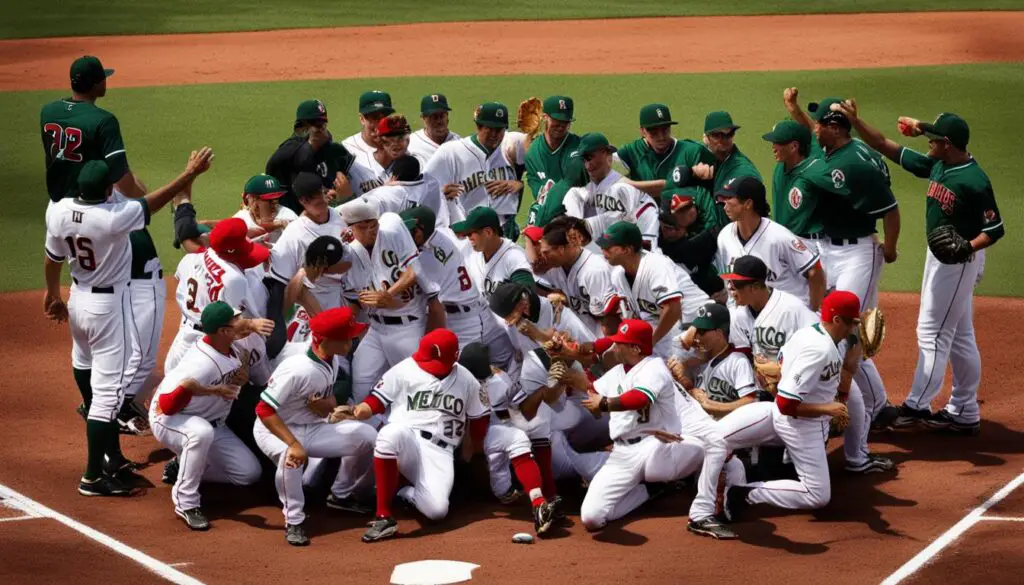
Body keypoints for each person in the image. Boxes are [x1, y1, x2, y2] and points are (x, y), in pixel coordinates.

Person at [43, 148, 213, 496]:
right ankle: (93, 475)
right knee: (108, 397)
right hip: (108, 307)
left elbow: (51, 258)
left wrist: (52, 295)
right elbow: (152, 200)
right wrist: (190, 173)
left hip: (77, 298)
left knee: (82, 364)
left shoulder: (58, 210)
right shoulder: (111, 218)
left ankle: (113, 458)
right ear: (108, 191)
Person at [836, 102, 1004, 434]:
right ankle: (965, 411)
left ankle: (917, 405)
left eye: (934, 139)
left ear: (949, 145)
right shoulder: (939, 164)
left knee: (932, 331)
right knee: (959, 334)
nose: (928, 143)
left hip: (958, 261)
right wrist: (856, 122)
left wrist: (968, 248)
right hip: (941, 255)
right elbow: (885, 145)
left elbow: (995, 229)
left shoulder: (973, 179)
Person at [40, 56, 165, 436]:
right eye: (103, 80)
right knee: (132, 259)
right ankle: (116, 405)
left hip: (60, 208)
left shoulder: (48, 111)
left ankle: (101, 398)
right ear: (97, 85)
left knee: (79, 267)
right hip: (97, 207)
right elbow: (119, 174)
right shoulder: (103, 120)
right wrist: (141, 202)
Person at [331, 329, 501, 542]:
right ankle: (384, 516)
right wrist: (358, 411)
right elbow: (376, 400)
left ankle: (403, 491)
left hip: (440, 451)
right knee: (389, 433)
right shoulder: (404, 369)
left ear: (455, 356)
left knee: (437, 511)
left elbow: (479, 423)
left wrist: (471, 452)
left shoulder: (467, 379)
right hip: (407, 439)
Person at [722, 292, 860, 528]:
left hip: (793, 419)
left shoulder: (810, 333)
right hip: (801, 425)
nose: (854, 328)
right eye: (852, 322)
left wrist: (841, 395)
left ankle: (771, 467)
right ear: (837, 321)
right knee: (817, 495)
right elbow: (787, 405)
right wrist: (828, 408)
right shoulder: (820, 350)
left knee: (786, 468)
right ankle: (743, 493)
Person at [254, 307, 378, 546]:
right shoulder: (297, 368)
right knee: (291, 458)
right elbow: (263, 410)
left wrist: (330, 407)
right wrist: (293, 443)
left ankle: (342, 494)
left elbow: (320, 401)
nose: (353, 339)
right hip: (275, 429)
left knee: (368, 435)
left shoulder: (330, 359)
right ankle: (295, 520)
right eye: (347, 336)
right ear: (328, 340)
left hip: (312, 427)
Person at [578, 320, 705, 531]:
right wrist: (573, 376)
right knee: (592, 518)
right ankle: (648, 491)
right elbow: (593, 391)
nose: (615, 347)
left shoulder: (654, 367)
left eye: (621, 343)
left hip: (654, 445)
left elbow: (640, 398)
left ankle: (707, 466)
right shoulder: (619, 370)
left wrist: (604, 403)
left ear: (636, 348)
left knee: (697, 450)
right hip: (621, 453)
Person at [149, 302, 263, 531]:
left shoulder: (228, 348)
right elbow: (166, 405)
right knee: (200, 432)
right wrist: (210, 390)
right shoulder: (201, 364)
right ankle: (186, 502)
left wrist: (238, 379)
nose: (241, 322)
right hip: (171, 419)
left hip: (213, 423)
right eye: (235, 320)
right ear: (224, 331)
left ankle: (183, 466)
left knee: (248, 473)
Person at [339, 201, 445, 407]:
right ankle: (370, 431)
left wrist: (388, 294)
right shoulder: (349, 254)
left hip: (408, 328)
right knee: (361, 384)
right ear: (351, 229)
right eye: (363, 226)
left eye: (373, 224)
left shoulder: (392, 228)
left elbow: (413, 272)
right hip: (376, 330)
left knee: (419, 387)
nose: (371, 230)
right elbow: (354, 301)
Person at [165, 217, 273, 371]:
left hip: (184, 338)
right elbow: (230, 325)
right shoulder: (234, 279)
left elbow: (178, 278)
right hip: (207, 349)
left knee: (170, 385)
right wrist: (252, 324)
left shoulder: (192, 258)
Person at [596, 221, 708, 357]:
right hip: (671, 328)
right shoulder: (618, 275)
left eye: (608, 247)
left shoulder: (656, 265)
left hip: (700, 324)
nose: (603, 251)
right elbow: (635, 320)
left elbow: (673, 309)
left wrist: (650, 343)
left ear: (627, 249)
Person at [715, 176, 825, 310]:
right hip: (748, 316)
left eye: (730, 198)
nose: (724, 203)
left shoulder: (779, 237)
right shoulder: (725, 237)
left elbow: (815, 270)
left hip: (788, 313)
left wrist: (812, 310)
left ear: (748, 204)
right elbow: (730, 282)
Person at [424, 101, 521, 232]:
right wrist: (440, 192)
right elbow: (422, 186)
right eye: (490, 129)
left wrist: (519, 184)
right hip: (466, 232)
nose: (495, 135)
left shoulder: (510, 148)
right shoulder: (451, 151)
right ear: (478, 127)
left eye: (499, 130)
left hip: (502, 230)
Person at [265, 99, 367, 213]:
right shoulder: (287, 154)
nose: (321, 129)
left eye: (323, 124)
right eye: (316, 124)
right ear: (301, 127)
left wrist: (338, 195)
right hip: (297, 219)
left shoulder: (333, 151)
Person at [562, 132, 660, 250]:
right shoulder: (585, 190)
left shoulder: (621, 189)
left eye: (590, 158)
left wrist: (582, 227)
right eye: (584, 159)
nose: (587, 165)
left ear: (606, 154)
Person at [536, 218, 625, 336]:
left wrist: (604, 348)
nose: (542, 257)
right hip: (582, 335)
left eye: (546, 252)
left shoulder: (594, 270)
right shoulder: (556, 267)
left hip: (602, 338)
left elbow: (609, 320)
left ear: (561, 249)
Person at [615, 103, 717, 195]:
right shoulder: (631, 151)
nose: (661, 137)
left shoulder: (693, 151)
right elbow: (607, 178)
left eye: (665, 130)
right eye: (654, 132)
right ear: (642, 131)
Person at [687, 303, 758, 418]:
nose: (697, 338)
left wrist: (711, 406)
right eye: (696, 332)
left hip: (731, 427)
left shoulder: (738, 361)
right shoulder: (703, 362)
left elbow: (751, 401)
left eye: (702, 332)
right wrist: (693, 392)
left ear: (719, 333)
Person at [453, 207, 535, 298]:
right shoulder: (470, 248)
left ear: (488, 232)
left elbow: (528, 294)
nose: (468, 238)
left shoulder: (514, 256)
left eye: (470, 234)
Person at [359, 155, 448, 227]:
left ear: (395, 176)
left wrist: (385, 186)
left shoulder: (388, 193)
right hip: (429, 232)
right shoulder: (432, 185)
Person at [524, 95, 582, 201]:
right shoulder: (533, 153)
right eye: (557, 120)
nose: (561, 125)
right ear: (545, 117)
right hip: (549, 213)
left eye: (566, 121)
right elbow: (538, 194)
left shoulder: (580, 147)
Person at [702, 111, 762, 194]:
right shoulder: (698, 160)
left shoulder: (743, 171)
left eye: (728, 135)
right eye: (716, 135)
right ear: (705, 138)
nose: (722, 140)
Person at [230, 174, 297, 244]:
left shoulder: (288, 216)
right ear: (248, 198)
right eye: (267, 200)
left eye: (276, 199)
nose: (273, 204)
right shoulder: (241, 218)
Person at [408, 93, 461, 166]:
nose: (439, 121)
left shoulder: (458, 143)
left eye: (442, 116)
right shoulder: (411, 142)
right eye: (434, 117)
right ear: (423, 118)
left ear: (447, 116)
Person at [342, 90, 395, 156]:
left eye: (385, 117)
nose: (381, 123)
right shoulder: (347, 150)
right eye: (375, 117)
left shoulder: (399, 148)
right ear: (362, 119)